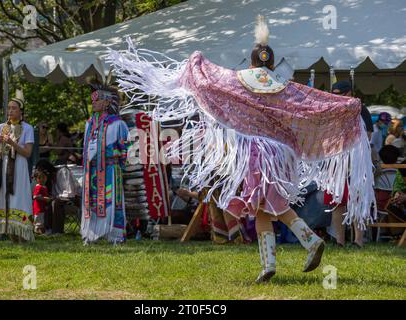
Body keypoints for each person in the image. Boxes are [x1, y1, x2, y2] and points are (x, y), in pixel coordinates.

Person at [107, 16, 376, 283]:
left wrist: (196, 63)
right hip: (281, 154)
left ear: (252, 61)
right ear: (271, 62)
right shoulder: (284, 86)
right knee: (262, 208)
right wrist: (347, 107)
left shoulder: (238, 81)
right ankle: (270, 264)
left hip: (257, 154)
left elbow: (211, 83)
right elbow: (314, 104)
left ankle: (309, 242)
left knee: (270, 204)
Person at [324, 80, 374, 248]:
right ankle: (339, 240)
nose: (335, 97)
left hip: (357, 161)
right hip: (337, 160)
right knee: (337, 201)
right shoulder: (332, 111)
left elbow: (369, 135)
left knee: (357, 200)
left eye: (338, 94)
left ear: (348, 93)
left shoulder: (361, 109)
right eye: (333, 94)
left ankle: (358, 240)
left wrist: (355, 149)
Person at [81, 80, 130, 244]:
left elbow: (125, 152)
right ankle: (91, 234)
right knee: (92, 200)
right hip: (92, 171)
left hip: (110, 170)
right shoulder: (89, 125)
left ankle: (114, 235)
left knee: (111, 201)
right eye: (92, 100)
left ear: (107, 102)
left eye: (97, 100)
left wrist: (115, 160)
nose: (93, 103)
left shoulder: (118, 124)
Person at [0, 97, 35, 242]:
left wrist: (12, 143)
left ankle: (21, 234)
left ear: (21, 112)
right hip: (2, 167)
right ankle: (6, 231)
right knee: (1, 196)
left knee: (18, 197)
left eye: (14, 108)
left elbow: (27, 153)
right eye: (9, 108)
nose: (10, 111)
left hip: (18, 168)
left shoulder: (28, 128)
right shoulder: (2, 127)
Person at [32, 170, 51, 234]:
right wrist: (44, 198)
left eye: (44, 177)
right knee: (39, 221)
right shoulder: (38, 187)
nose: (42, 179)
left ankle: (41, 230)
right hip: (38, 208)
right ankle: (38, 231)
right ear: (36, 179)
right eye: (39, 178)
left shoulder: (44, 187)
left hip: (43, 208)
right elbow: (35, 197)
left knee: (42, 220)